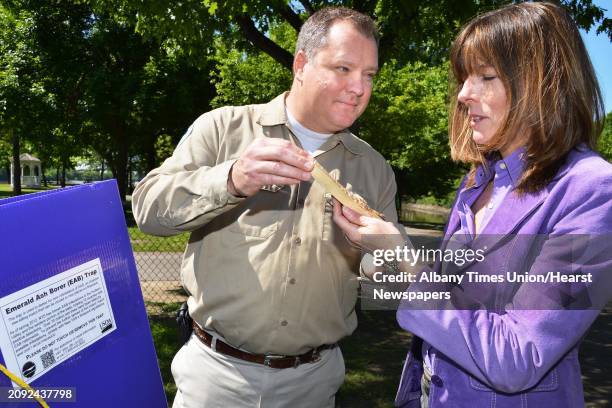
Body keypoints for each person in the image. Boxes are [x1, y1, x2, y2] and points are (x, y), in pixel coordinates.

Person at [332, 2, 612, 407]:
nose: (463, 94)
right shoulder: (479, 181)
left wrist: (408, 263)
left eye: (486, 76)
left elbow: (518, 356)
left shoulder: (592, 190)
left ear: (542, 83)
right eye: (465, 78)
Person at [132, 7, 399, 408]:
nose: (359, 88)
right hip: (216, 376)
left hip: (314, 383)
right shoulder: (222, 128)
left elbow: (384, 284)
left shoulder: (375, 170)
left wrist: (382, 253)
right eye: (343, 68)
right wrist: (232, 179)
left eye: (369, 75)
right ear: (302, 64)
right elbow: (148, 210)